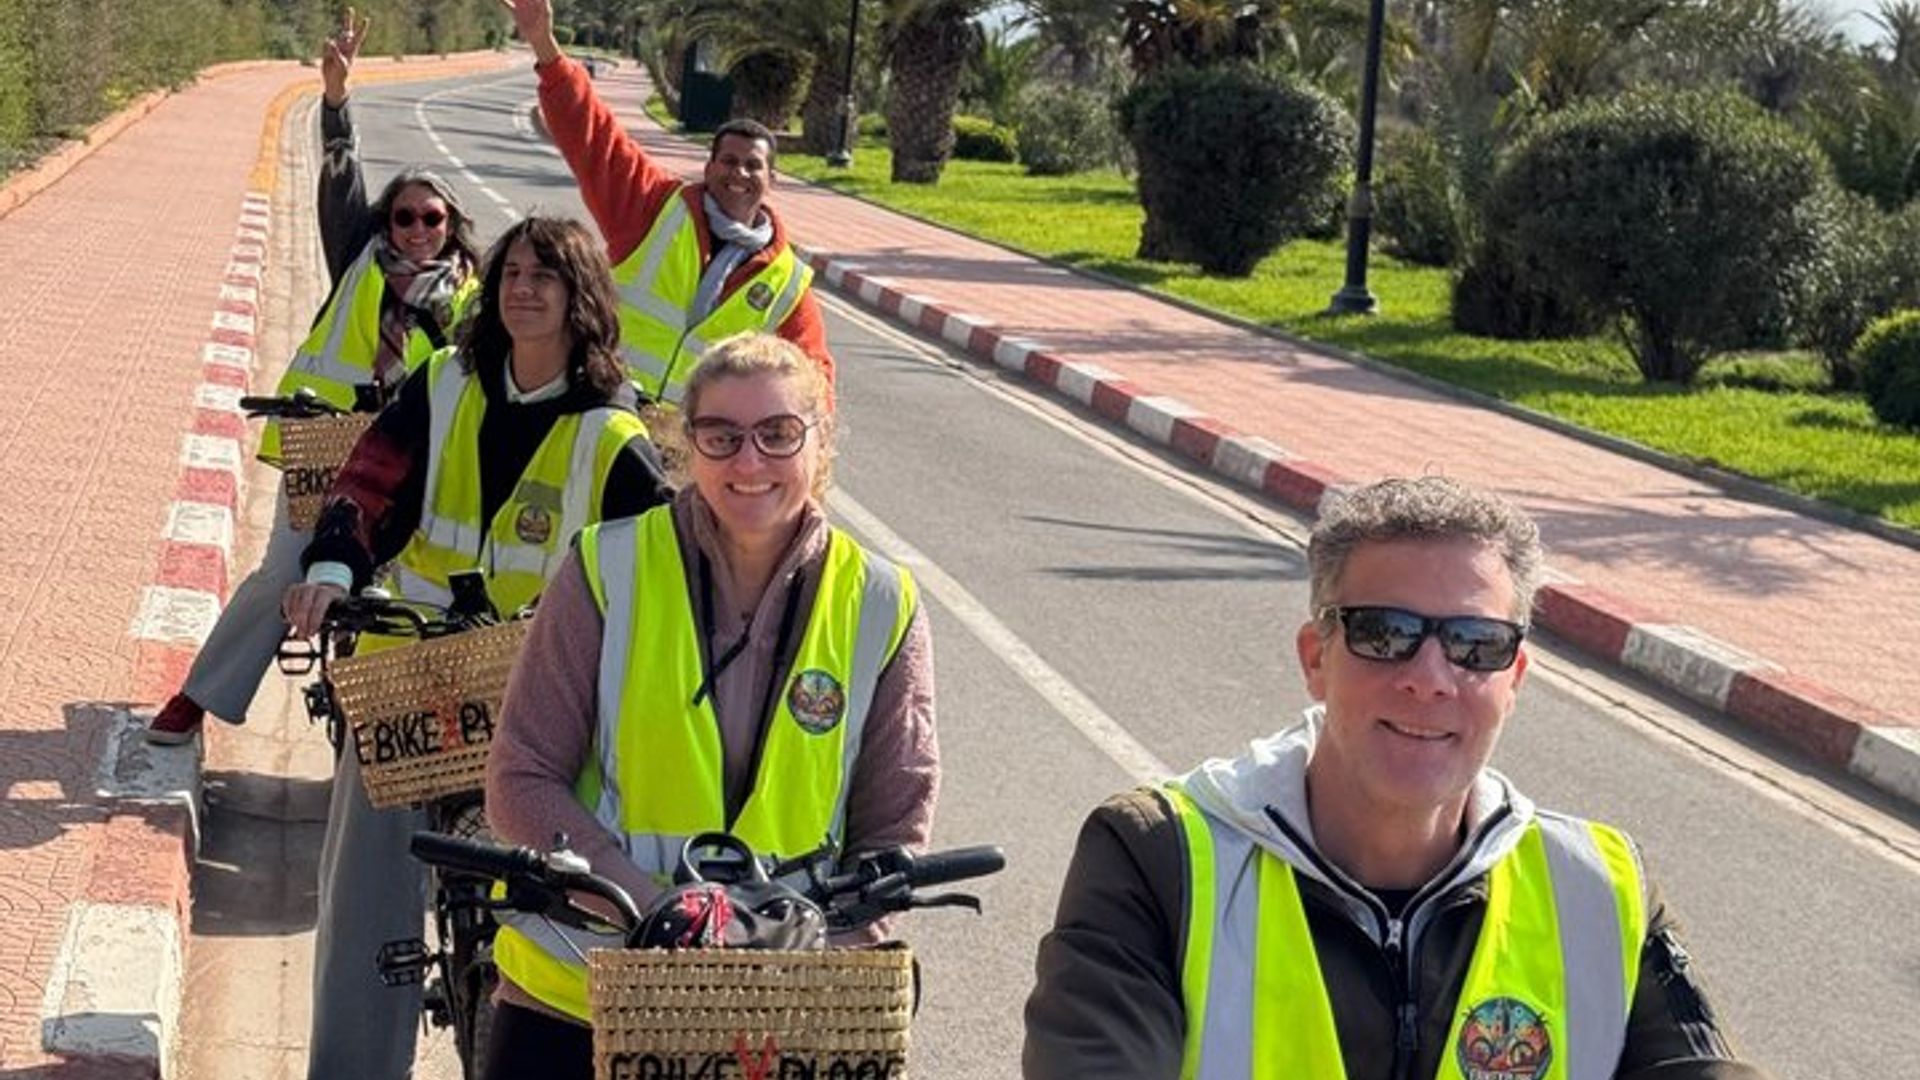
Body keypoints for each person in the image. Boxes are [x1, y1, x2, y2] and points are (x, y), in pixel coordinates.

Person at [1023, 476, 1768, 1080]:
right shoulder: (1160, 857)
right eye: (1386, 634)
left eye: (1476, 644)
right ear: (1317, 657)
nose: (1430, 678)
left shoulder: (1602, 890)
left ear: (1516, 677)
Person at [480, 334, 938, 1077]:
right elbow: (521, 775)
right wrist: (647, 903)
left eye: (778, 434)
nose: (749, 462)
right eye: (720, 436)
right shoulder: (608, 565)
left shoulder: (882, 602)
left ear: (821, 444)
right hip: (582, 984)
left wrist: (836, 944)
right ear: (687, 444)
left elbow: (896, 820)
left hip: (780, 1009)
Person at [284, 214, 673, 1080]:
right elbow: (368, 484)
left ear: (582, 300)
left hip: (549, 690)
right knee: (363, 886)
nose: (524, 288)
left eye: (547, 275)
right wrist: (333, 569)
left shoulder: (616, 433)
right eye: (511, 274)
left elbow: (664, 572)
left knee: (578, 880)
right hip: (415, 673)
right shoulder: (444, 383)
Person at [146, 8, 483, 744]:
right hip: (325, 449)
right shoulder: (358, 263)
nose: (417, 231)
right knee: (280, 576)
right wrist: (336, 100)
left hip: (421, 464)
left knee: (416, 601)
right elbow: (340, 181)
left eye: (432, 219)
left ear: (452, 225)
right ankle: (199, 696)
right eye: (403, 218)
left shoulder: (478, 303)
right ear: (386, 223)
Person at [497, 0, 834, 406]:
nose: (739, 174)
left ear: (772, 180)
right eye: (728, 161)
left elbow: (816, 386)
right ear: (707, 169)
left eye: (753, 166)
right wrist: (544, 45)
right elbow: (593, 135)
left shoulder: (787, 285)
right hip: (604, 417)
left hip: (698, 452)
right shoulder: (654, 207)